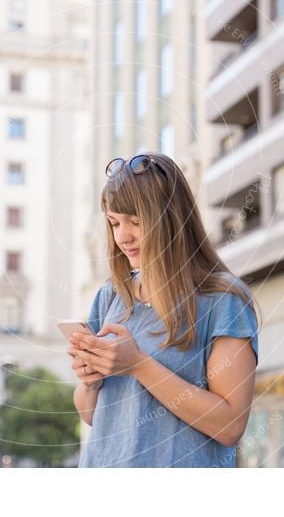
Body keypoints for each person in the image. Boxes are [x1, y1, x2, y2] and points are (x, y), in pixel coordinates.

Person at [68, 153, 259, 467]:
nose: (122, 236)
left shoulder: (224, 300)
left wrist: (138, 365)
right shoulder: (110, 297)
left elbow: (230, 426)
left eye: (135, 221)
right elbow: (93, 416)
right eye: (114, 223)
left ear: (170, 218)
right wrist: (90, 381)